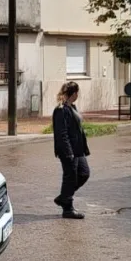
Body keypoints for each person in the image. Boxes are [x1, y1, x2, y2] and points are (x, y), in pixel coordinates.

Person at [52, 81, 90, 220]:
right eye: (77, 93)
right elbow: (62, 133)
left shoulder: (72, 107)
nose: (78, 95)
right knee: (70, 177)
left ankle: (64, 197)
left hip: (78, 149)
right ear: (73, 93)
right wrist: (68, 152)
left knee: (84, 173)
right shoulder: (61, 110)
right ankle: (67, 209)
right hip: (69, 151)